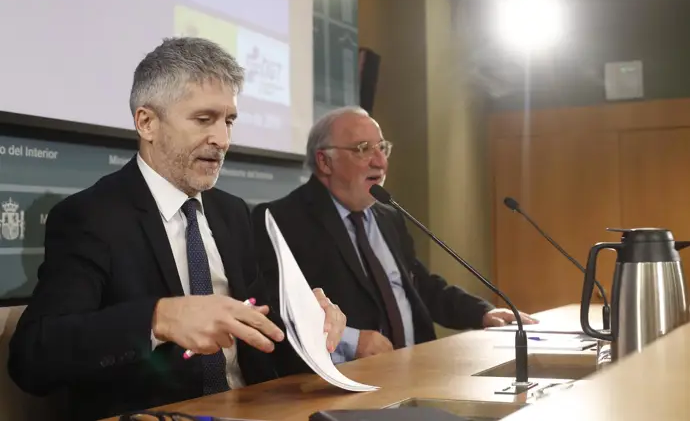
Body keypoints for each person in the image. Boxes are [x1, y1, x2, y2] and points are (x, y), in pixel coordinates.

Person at [7, 37, 346, 421]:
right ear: (147, 123)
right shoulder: (91, 217)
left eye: (228, 121)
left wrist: (304, 322)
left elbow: (261, 331)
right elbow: (33, 358)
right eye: (204, 120)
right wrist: (159, 319)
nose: (222, 140)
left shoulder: (233, 213)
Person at [252, 106, 536, 364]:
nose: (380, 162)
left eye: (382, 148)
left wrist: (481, 313)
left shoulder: (388, 216)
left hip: (414, 368)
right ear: (325, 162)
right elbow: (279, 308)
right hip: (346, 382)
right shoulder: (281, 219)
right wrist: (352, 340)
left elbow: (418, 286)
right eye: (363, 149)